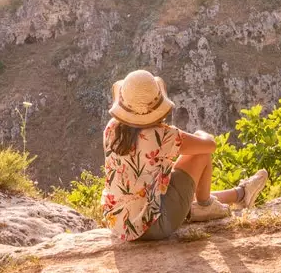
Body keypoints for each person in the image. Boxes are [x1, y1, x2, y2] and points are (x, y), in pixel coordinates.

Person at [101, 69, 268, 242]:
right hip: (152, 226)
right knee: (201, 154)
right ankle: (205, 205)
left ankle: (240, 194)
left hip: (117, 222)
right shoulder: (163, 135)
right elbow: (210, 146)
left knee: (173, 187)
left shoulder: (112, 128)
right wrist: (201, 133)